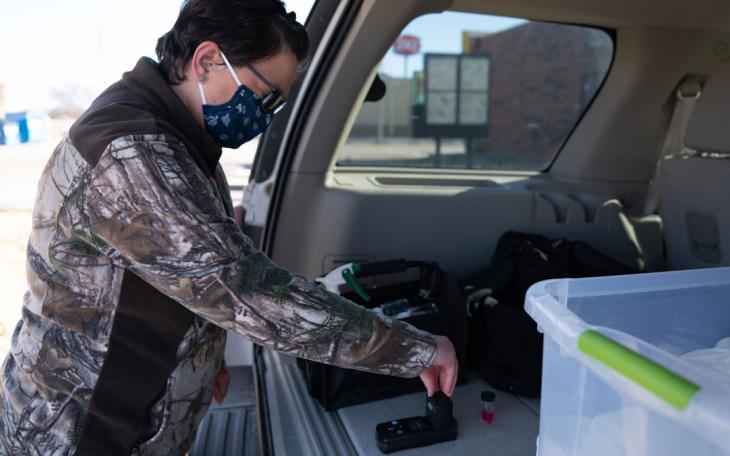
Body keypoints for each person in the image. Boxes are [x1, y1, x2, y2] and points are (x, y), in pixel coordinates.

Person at [0, 0, 458, 454]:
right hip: (85, 435)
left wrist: (203, 358)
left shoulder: (181, 141)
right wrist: (414, 348)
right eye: (263, 96)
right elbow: (247, 293)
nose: (263, 116)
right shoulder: (132, 156)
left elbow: (186, 277)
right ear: (206, 60)